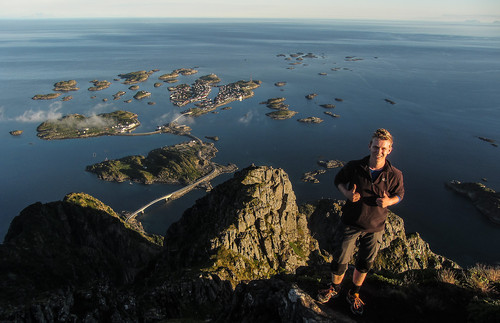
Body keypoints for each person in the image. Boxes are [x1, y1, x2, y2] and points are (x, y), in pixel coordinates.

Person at [317, 128, 404, 315]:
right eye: (376, 147)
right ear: (369, 146)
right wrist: (347, 193)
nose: (379, 151)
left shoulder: (394, 174)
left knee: (364, 263)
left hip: (375, 227)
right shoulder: (355, 167)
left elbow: (400, 194)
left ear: (390, 150)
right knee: (340, 260)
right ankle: (335, 287)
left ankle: (354, 293)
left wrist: (389, 201)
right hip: (350, 223)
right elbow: (338, 181)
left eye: (383, 148)